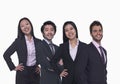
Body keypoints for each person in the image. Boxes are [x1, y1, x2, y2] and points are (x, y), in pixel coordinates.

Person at [3, 17, 41, 84]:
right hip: (22, 74)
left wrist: (40, 67)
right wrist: (13, 67)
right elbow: (6, 55)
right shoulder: (18, 41)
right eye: (22, 26)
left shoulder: (38, 41)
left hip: (35, 73)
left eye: (27, 24)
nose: (25, 27)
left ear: (31, 25)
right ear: (20, 29)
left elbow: (43, 56)